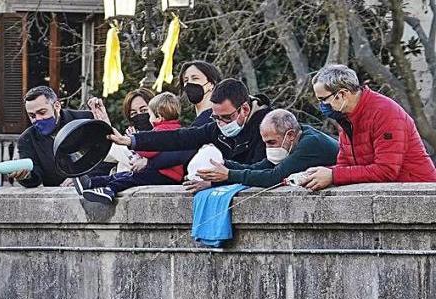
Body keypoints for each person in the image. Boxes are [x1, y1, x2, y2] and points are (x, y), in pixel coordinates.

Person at [108, 78, 270, 191]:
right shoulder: (216, 128)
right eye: (216, 117)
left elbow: (262, 171)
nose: (221, 123)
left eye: (226, 117)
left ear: (245, 109)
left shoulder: (268, 126)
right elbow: (179, 138)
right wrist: (131, 140)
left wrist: (216, 182)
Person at [299, 64, 436, 191]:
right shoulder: (346, 117)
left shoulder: (385, 113)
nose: (322, 105)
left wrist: (333, 175)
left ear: (342, 94)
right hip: (390, 194)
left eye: (323, 99)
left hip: (418, 194)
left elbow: (386, 170)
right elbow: (345, 166)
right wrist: (316, 175)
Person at [76, 92, 187, 205]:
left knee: (130, 178)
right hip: (166, 175)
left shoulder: (161, 131)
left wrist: (135, 141)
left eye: (145, 111)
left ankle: (108, 190)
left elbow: (149, 148)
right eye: (134, 113)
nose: (141, 116)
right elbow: (113, 151)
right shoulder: (178, 130)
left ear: (158, 116)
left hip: (162, 175)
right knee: (121, 176)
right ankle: (90, 183)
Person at [195, 109, 339, 188]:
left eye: (271, 142)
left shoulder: (310, 143)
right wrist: (222, 164)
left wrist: (229, 175)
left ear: (290, 136)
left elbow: (274, 177)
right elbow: (258, 167)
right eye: (265, 143)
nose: (268, 148)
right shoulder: (294, 139)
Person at [13, 86, 94, 188]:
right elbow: (35, 177)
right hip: (57, 197)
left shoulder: (85, 120)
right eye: (32, 116)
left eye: (42, 112)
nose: (38, 119)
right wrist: (26, 175)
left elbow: (105, 158)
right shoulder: (26, 139)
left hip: (94, 190)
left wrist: (83, 178)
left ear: (57, 106)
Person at [178, 61, 223, 127]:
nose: (189, 83)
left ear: (211, 84)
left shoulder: (216, 121)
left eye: (195, 78)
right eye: (186, 80)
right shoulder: (200, 122)